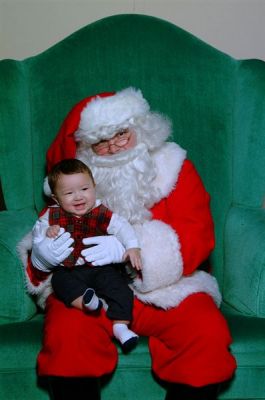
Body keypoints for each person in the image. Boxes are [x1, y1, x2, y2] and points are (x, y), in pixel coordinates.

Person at [20, 87, 237, 400]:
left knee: (205, 331)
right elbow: (46, 231)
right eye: (100, 142)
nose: (113, 147)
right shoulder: (77, 183)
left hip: (167, 285)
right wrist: (42, 258)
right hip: (90, 288)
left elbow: (197, 230)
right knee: (67, 332)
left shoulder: (175, 167)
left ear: (140, 129)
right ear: (86, 148)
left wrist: (137, 255)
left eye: (122, 134)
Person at [33, 158, 141, 353]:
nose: (78, 197)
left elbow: (122, 226)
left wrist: (132, 247)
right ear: (56, 199)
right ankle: (86, 303)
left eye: (84, 189)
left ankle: (121, 327)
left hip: (100, 267)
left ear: (94, 187)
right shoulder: (51, 216)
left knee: (120, 289)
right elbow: (38, 235)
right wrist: (47, 234)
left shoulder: (101, 212)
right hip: (70, 269)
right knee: (60, 282)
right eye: (68, 193)